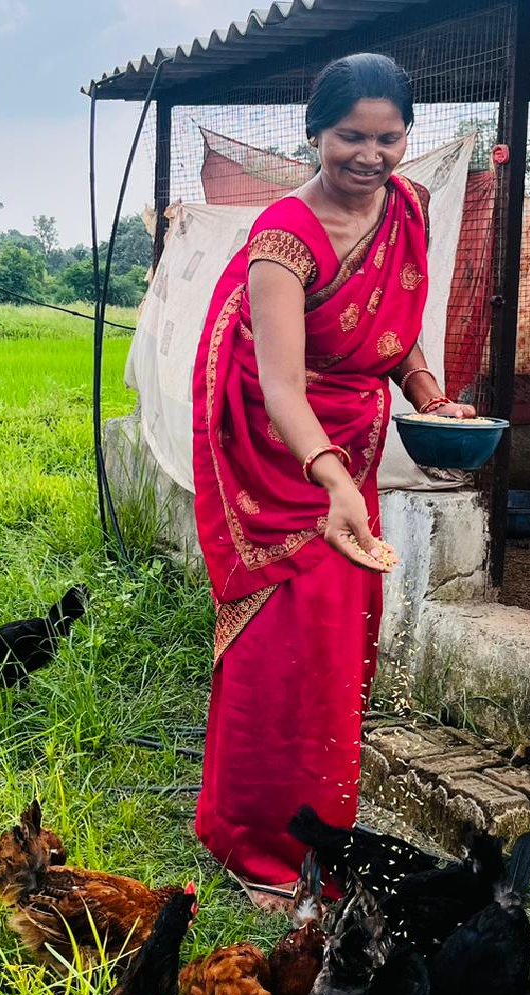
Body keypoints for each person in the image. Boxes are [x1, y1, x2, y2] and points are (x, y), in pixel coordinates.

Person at [192, 53, 475, 909]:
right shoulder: (282, 237)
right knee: (278, 644)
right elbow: (280, 385)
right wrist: (331, 483)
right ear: (316, 133)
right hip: (277, 458)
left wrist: (428, 393)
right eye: (351, 135)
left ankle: (319, 829)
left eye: (389, 137)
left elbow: (398, 335)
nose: (371, 154)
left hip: (348, 448)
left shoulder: (409, 209)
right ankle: (255, 843)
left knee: (338, 640)